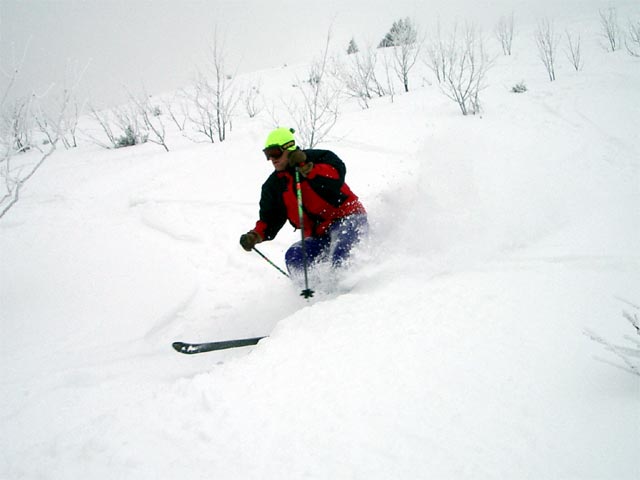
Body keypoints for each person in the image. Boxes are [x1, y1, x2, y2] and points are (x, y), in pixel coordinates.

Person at [239, 127, 367, 277]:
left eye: (275, 153)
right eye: (267, 154)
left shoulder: (319, 158)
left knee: (341, 253)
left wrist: (309, 169)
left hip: (348, 219)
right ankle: (315, 294)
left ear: (289, 148)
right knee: (294, 257)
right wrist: (255, 235)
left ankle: (351, 290)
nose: (272, 159)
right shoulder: (273, 186)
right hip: (319, 234)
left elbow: (336, 176)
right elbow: (270, 219)